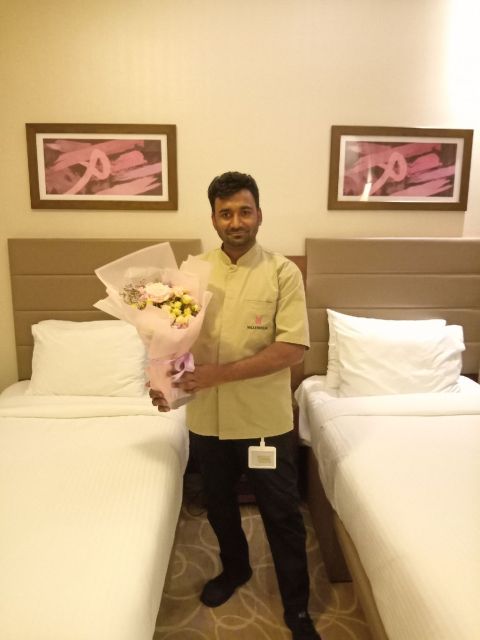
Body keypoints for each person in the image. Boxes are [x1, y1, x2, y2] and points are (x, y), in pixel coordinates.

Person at [149, 171, 321, 640]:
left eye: (245, 211)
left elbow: (291, 350)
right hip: (207, 418)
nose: (236, 221)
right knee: (219, 505)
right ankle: (235, 568)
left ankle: (297, 607)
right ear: (213, 219)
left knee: (282, 515)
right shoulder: (191, 274)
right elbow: (171, 344)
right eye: (225, 213)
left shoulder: (283, 273)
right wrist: (163, 383)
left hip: (264, 419)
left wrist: (217, 375)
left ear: (259, 214)